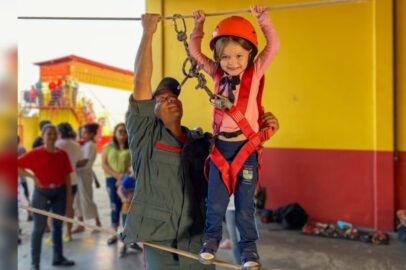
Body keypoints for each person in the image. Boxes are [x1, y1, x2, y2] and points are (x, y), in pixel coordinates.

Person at [119, 13, 279, 270]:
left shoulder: (201, 142)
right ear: (152, 109)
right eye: (160, 98)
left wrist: (265, 129)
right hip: (160, 238)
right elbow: (140, 81)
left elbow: (236, 150)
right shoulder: (145, 137)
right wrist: (148, 33)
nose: (169, 99)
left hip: (199, 240)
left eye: (173, 95)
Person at [189, 5, 280, 268]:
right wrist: (198, 26)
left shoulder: (255, 71)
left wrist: (262, 19)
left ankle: (249, 249)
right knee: (215, 202)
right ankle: (211, 240)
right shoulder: (216, 74)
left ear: (250, 53)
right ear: (218, 58)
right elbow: (195, 52)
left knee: (244, 206)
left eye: (239, 55)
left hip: (245, 150)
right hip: (220, 151)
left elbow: (272, 46)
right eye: (225, 57)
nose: (232, 62)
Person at [18, 124, 75, 270]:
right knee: (39, 228)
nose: (51, 136)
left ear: (57, 136)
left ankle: (58, 258)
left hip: (60, 192)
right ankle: (35, 263)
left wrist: (69, 197)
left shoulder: (62, 154)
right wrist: (33, 177)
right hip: (41, 193)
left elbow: (67, 175)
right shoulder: (35, 153)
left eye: (54, 134)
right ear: (43, 136)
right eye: (48, 134)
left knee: (57, 226)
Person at [101, 122, 131, 245]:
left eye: (125, 132)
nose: (122, 134)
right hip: (112, 179)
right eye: (120, 131)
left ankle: (128, 234)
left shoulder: (131, 147)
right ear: (115, 133)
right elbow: (104, 164)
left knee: (127, 205)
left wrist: (124, 177)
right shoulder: (108, 147)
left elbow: (133, 164)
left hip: (127, 180)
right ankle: (114, 232)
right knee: (114, 205)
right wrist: (117, 176)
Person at [72, 123, 102, 234]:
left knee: (87, 200)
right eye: (82, 132)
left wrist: (70, 163)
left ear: (92, 134)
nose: (82, 135)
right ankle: (80, 224)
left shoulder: (90, 145)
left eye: (85, 133)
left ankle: (98, 223)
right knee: (77, 200)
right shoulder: (85, 144)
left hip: (84, 175)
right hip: (79, 175)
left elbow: (84, 162)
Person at [117, 172, 142, 257]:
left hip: (135, 208)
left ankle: (133, 243)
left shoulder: (139, 179)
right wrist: (123, 198)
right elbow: (119, 190)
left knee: (135, 226)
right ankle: (123, 247)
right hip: (127, 209)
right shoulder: (128, 179)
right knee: (126, 228)